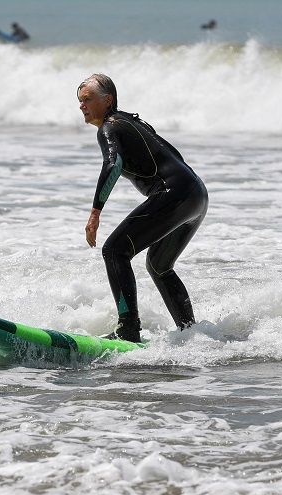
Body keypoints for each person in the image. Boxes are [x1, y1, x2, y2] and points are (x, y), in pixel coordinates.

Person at [77, 73, 208, 342]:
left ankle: (128, 330)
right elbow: (174, 155)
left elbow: (113, 165)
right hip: (196, 194)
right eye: (80, 101)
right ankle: (191, 335)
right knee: (159, 265)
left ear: (108, 100)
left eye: (88, 99)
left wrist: (95, 212)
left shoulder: (109, 128)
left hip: (175, 194)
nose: (82, 106)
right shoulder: (131, 122)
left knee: (115, 251)